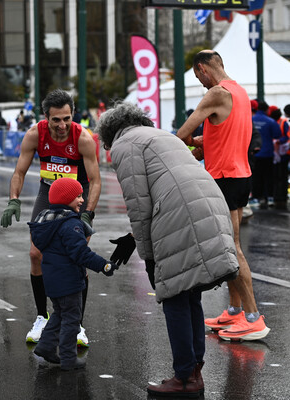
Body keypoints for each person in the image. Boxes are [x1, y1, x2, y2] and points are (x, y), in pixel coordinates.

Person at [96, 101, 239, 397]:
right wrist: (133, 237)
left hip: (181, 214)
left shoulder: (124, 146)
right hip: (210, 203)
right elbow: (165, 183)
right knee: (191, 293)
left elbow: (139, 203)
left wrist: (147, 256)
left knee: (173, 294)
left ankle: (184, 377)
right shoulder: (162, 136)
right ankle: (194, 371)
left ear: (110, 135)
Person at [175, 50, 271, 341]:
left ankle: (253, 317)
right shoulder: (239, 91)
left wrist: (192, 140)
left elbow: (181, 134)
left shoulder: (216, 93)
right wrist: (207, 141)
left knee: (232, 249)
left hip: (225, 178)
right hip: (240, 175)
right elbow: (227, 132)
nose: (201, 84)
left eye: (197, 77)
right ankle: (234, 310)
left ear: (204, 69)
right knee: (228, 246)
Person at [0, 89, 101, 346]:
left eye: (67, 118)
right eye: (56, 120)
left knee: (76, 257)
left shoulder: (83, 138)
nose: (62, 125)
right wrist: (13, 199)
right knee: (36, 254)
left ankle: (77, 324)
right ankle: (42, 316)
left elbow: (95, 180)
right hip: (49, 193)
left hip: (77, 193)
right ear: (46, 117)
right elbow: (19, 171)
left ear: (73, 115)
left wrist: (88, 214)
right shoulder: (35, 134)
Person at [28, 178, 116, 371]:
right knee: (72, 319)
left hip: (52, 280)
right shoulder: (70, 225)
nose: (82, 199)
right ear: (65, 198)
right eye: (78, 196)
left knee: (60, 314)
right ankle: (68, 358)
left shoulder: (47, 221)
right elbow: (81, 253)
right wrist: (104, 266)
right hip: (68, 281)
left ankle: (45, 346)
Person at [252, 101, 282, 209]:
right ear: (267, 110)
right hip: (268, 153)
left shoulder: (251, 120)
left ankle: (256, 198)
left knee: (256, 176)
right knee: (269, 176)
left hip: (254, 153)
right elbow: (277, 134)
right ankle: (269, 198)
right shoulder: (271, 121)